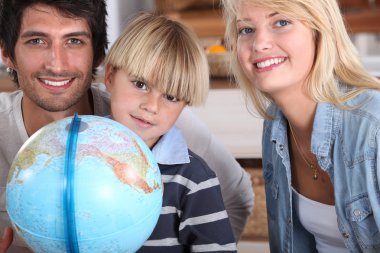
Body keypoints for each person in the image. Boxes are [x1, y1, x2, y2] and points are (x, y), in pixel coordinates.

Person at [0, 0, 253, 252]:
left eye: (74, 41)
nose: (56, 64)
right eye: (37, 41)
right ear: (6, 52)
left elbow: (237, 197)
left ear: (98, 55)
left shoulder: (159, 127)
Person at [222, 0, 380, 252]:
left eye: (281, 22)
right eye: (246, 30)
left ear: (320, 30)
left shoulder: (373, 128)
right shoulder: (276, 126)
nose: (259, 43)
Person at [104, 12, 237, 252]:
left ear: (184, 104)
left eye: (170, 97)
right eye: (140, 84)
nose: (151, 106)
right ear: (110, 76)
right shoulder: (78, 150)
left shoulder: (194, 179)